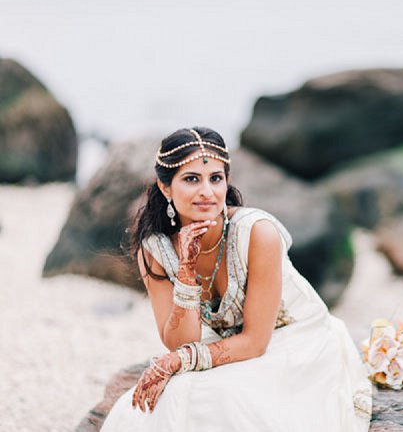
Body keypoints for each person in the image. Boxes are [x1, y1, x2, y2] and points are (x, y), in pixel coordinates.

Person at [100, 127, 372, 431]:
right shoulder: (156, 249)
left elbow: (256, 342)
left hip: (292, 340)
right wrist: (187, 270)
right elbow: (180, 341)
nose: (207, 191)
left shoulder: (257, 233)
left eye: (216, 178)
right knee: (162, 400)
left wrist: (181, 360)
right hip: (226, 343)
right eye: (191, 179)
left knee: (223, 397)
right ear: (165, 188)